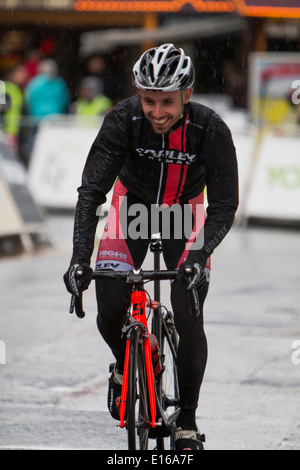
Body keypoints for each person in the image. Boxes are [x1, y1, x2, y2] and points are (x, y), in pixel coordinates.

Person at [64, 44, 239, 450]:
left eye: (167, 102)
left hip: (183, 212)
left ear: (187, 95)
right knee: (109, 307)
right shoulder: (123, 119)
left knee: (189, 308)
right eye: (148, 100)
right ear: (137, 95)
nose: (156, 112)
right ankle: (129, 367)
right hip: (133, 207)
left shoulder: (210, 129)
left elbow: (225, 206)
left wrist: (197, 255)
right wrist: (78, 257)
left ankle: (187, 422)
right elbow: (91, 192)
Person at [0, 64, 28, 154]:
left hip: (13, 132)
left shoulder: (16, 88)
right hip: (6, 133)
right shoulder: (6, 87)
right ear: (13, 74)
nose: (24, 75)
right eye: (21, 72)